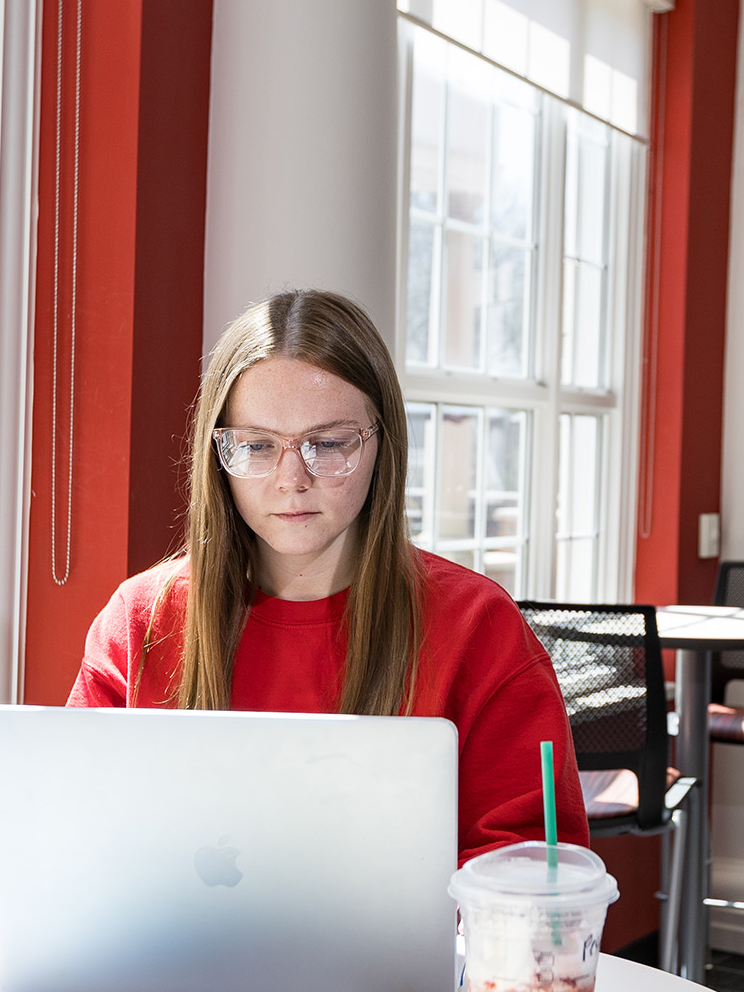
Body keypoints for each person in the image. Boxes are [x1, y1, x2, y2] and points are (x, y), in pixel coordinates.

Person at [67, 289, 585, 863]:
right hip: (168, 954)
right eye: (257, 445)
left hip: (409, 958)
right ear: (217, 454)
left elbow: (531, 872)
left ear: (381, 444)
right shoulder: (141, 621)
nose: (292, 478)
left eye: (329, 443)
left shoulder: (478, 627)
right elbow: (76, 837)